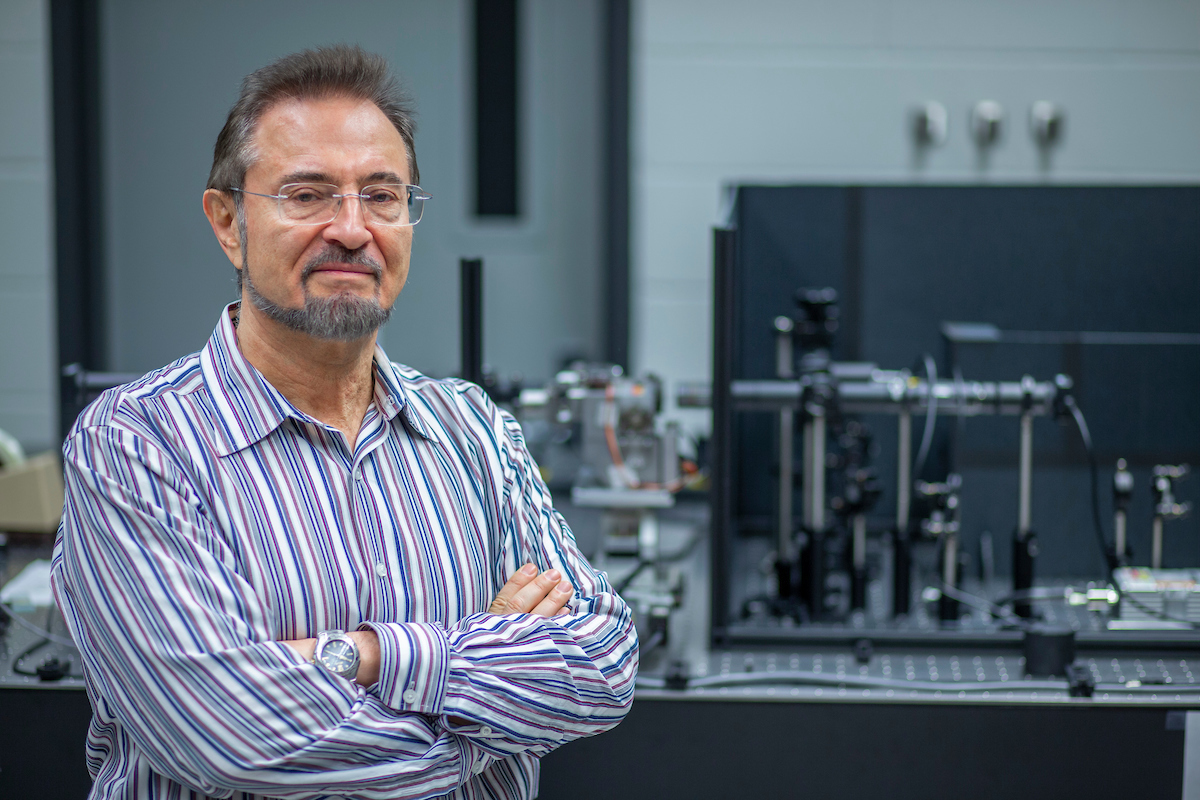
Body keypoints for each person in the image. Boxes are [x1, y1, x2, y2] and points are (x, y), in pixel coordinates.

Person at [51, 45, 637, 800]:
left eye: (383, 196)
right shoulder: (136, 447)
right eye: (307, 195)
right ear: (228, 222)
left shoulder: (471, 431)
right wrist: (484, 711)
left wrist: (363, 656)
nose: (353, 229)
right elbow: (235, 740)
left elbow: (603, 665)